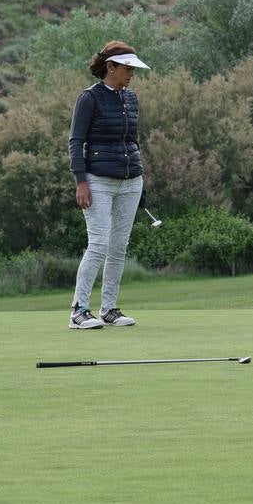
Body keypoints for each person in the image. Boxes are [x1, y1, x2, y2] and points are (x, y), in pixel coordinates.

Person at [68, 41, 150, 329]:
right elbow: (76, 142)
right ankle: (78, 311)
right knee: (99, 244)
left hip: (131, 181)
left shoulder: (131, 99)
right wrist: (81, 181)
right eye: (127, 68)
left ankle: (109, 309)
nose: (131, 74)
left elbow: (132, 142)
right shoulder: (89, 98)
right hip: (97, 181)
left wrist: (141, 183)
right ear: (110, 67)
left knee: (118, 247)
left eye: (133, 69)